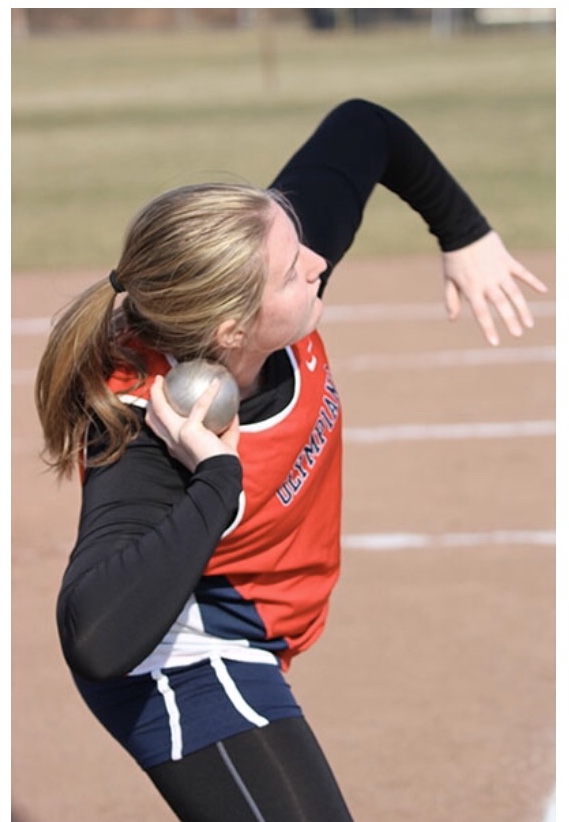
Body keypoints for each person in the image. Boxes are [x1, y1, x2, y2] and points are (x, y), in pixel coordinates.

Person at [35, 98, 547, 822]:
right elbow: (96, 638)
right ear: (233, 326)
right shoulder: (147, 431)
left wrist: (461, 232)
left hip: (251, 631)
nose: (315, 260)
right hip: (187, 659)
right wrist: (215, 478)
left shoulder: (265, 281)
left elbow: (363, 128)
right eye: (291, 268)